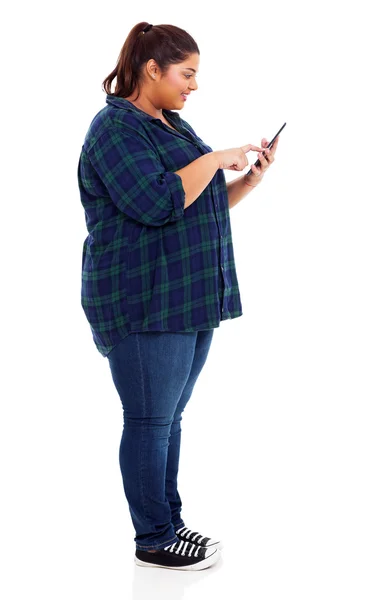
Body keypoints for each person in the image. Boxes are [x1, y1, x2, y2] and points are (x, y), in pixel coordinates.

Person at [77, 21, 278, 572]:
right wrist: (215, 160)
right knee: (148, 419)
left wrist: (249, 180)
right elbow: (157, 202)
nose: (194, 85)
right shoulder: (116, 130)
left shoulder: (173, 126)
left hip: (185, 298)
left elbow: (197, 207)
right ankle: (154, 538)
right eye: (186, 74)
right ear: (152, 70)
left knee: (168, 419)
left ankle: (170, 524)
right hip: (143, 300)